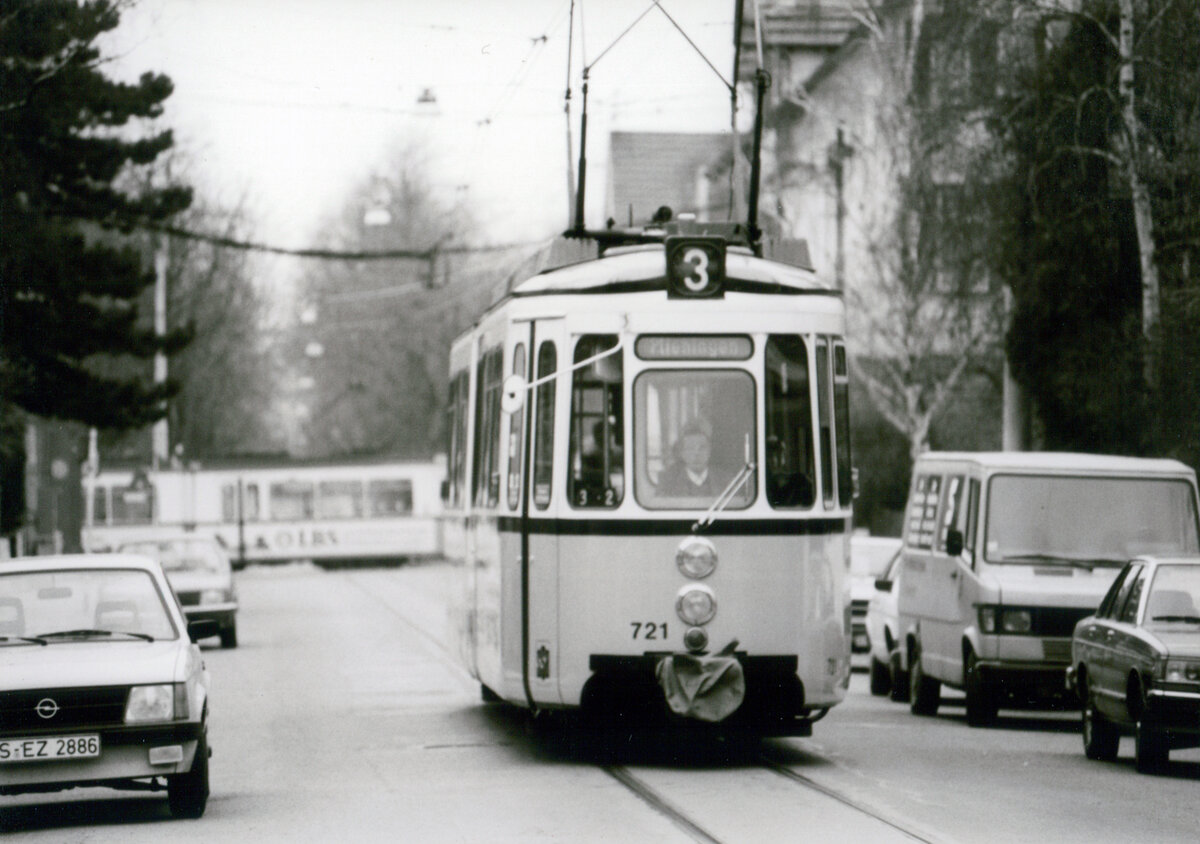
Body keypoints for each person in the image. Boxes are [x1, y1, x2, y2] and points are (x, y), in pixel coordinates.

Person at [657, 422, 720, 497]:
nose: (696, 453)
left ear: (709, 451)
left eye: (702, 448)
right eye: (690, 448)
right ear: (682, 453)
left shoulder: (727, 482)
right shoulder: (667, 483)